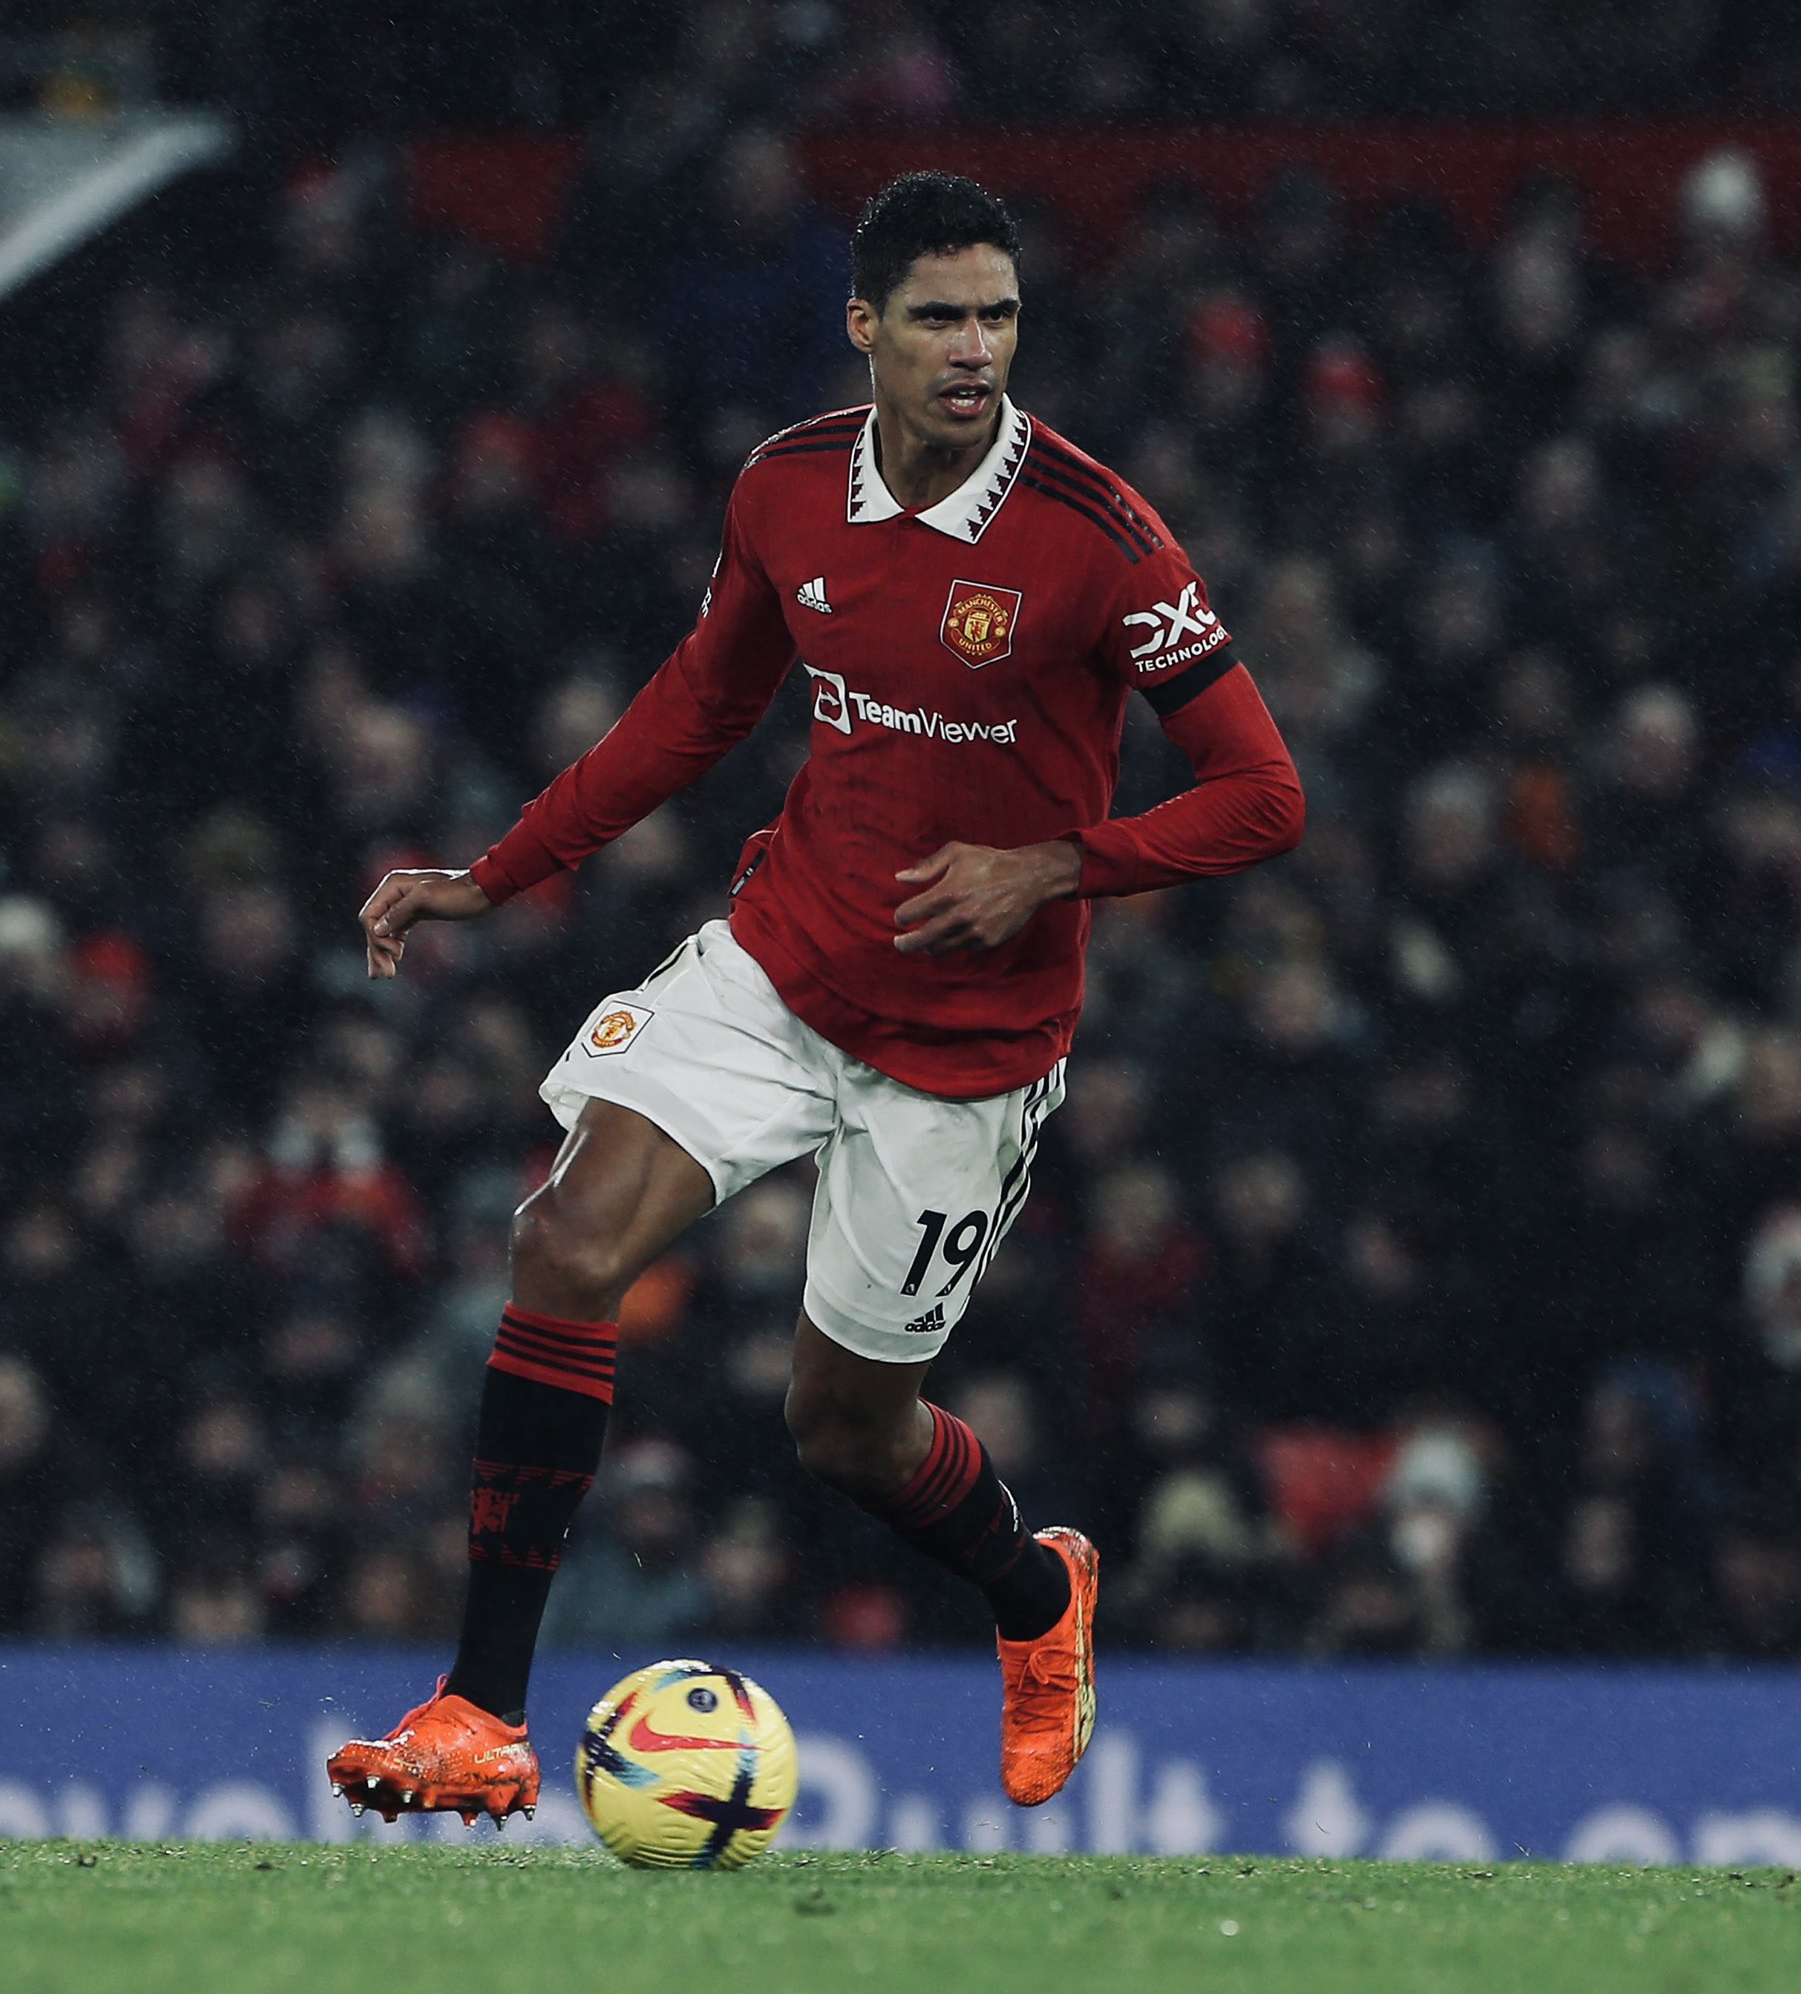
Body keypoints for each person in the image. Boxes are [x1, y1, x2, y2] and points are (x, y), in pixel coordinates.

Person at [326, 171, 1303, 1831]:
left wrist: (1054, 867)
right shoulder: (786, 488)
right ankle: (480, 1712)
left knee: (845, 1428)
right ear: (865, 325)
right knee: (561, 1242)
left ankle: (1034, 1597)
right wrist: (505, 868)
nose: (975, 348)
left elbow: (1263, 793)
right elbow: (701, 702)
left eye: (998, 314)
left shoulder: (1101, 537)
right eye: (938, 316)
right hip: (782, 961)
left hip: (970, 1054)